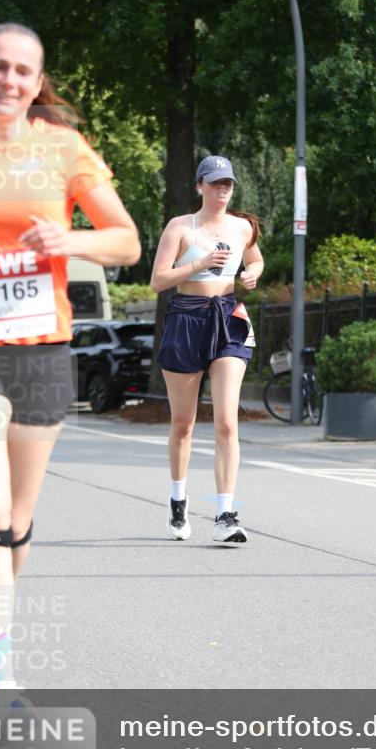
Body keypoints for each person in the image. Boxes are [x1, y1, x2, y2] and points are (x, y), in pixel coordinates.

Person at [0, 22, 141, 704]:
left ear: (35, 80)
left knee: (16, 522)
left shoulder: (64, 149)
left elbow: (127, 242)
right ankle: (1, 678)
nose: (8, 80)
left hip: (41, 348)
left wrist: (68, 236)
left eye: (22, 71)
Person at [150, 156, 263, 545]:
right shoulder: (180, 227)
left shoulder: (242, 227)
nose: (222, 190)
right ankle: (178, 501)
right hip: (186, 319)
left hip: (230, 316)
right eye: (215, 183)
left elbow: (255, 257)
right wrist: (198, 262)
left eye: (228, 183)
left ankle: (225, 515)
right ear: (200, 186)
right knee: (183, 424)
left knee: (227, 422)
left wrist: (253, 273)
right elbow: (157, 280)